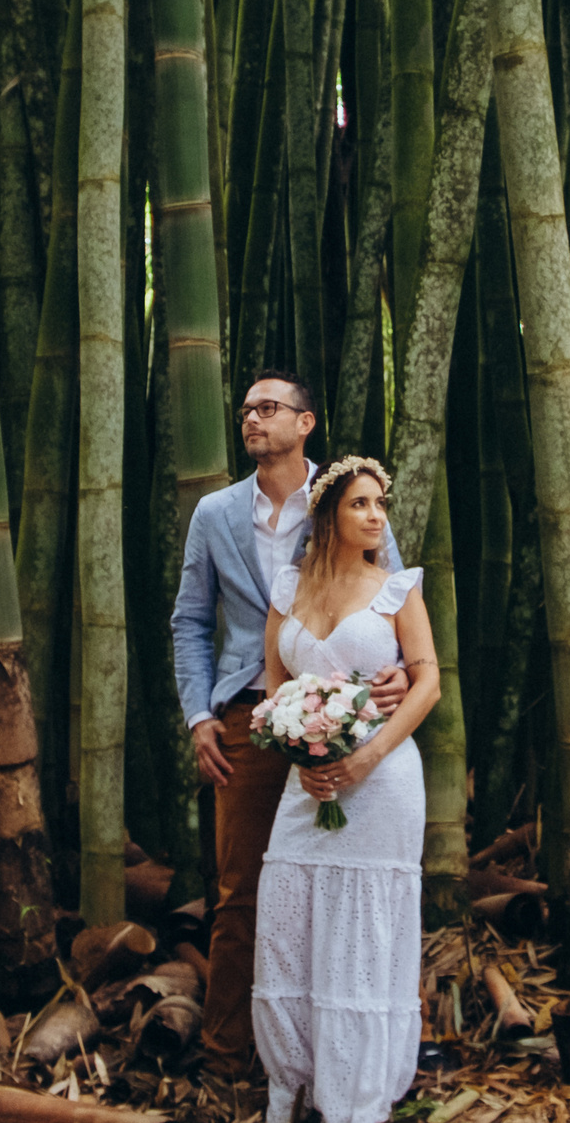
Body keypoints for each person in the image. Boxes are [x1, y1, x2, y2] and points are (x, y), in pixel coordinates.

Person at [170, 371, 404, 1083]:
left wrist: (396, 669)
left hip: (348, 714)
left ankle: (324, 1058)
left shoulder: (346, 501)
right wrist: (199, 713)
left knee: (338, 886)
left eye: (267, 408)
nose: (251, 418)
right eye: (245, 408)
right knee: (240, 889)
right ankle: (224, 1056)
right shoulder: (214, 513)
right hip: (249, 712)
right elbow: (190, 620)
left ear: (305, 423)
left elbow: (392, 593)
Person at [251, 455, 437, 1123]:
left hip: (382, 778)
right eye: (361, 502)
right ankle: (289, 1083)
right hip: (309, 783)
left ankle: (352, 1102)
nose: (376, 515)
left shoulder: (396, 589)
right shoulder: (286, 588)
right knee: (289, 915)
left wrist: (366, 753)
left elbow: (427, 681)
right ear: (328, 513)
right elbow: (274, 686)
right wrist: (301, 751)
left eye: (379, 503)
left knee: (362, 927)